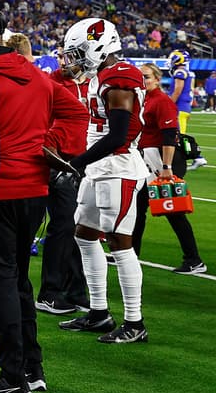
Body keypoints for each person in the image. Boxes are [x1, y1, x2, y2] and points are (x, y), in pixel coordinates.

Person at [0, 0, 86, 393]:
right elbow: (77, 114)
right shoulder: (37, 76)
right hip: (34, 191)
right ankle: (31, 367)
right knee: (18, 280)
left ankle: (12, 376)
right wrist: (49, 144)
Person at [56, 18, 150, 344]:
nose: (74, 60)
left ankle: (135, 322)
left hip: (118, 168)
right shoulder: (102, 76)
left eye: (78, 52)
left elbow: (118, 136)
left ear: (99, 46)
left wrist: (76, 162)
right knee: (84, 235)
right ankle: (99, 312)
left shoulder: (120, 77)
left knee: (120, 243)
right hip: (100, 167)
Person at [133, 63, 206, 275]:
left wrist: (167, 167)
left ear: (157, 79)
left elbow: (169, 136)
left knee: (173, 212)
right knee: (137, 209)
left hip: (163, 161)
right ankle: (131, 254)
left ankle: (194, 260)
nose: (143, 81)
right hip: (148, 161)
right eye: (140, 77)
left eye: (146, 77)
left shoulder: (162, 101)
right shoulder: (143, 99)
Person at [35, 55, 91, 315]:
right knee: (63, 227)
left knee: (77, 229)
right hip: (60, 162)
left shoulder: (93, 84)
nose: (68, 62)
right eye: (65, 57)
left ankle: (76, 291)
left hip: (84, 162)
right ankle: (50, 293)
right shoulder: (53, 81)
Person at [168, 50, 193, 136]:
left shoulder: (180, 72)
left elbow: (177, 91)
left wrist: (169, 105)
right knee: (178, 136)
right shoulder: (185, 71)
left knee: (180, 137)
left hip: (180, 107)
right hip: (184, 107)